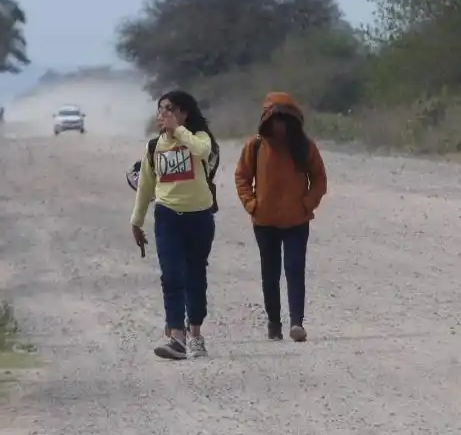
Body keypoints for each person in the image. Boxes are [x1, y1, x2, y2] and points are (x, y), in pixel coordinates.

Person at [130, 90, 218, 360]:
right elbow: (145, 186)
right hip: (167, 214)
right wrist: (137, 221)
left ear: (183, 113)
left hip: (199, 215)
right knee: (171, 276)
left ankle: (196, 334)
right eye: (161, 110)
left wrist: (179, 131)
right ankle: (176, 337)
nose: (163, 114)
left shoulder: (199, 138)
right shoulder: (154, 146)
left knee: (195, 274)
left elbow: (203, 151)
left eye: (170, 109)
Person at [234, 92, 328, 342]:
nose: (280, 125)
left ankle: (297, 323)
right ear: (267, 120)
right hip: (264, 222)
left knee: (295, 269)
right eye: (276, 119)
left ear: (293, 121)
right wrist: (252, 204)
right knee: (270, 272)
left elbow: (319, 178)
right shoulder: (254, 146)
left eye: (285, 120)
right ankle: (274, 324)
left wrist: (307, 204)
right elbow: (242, 177)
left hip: (297, 221)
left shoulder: (304, 147)